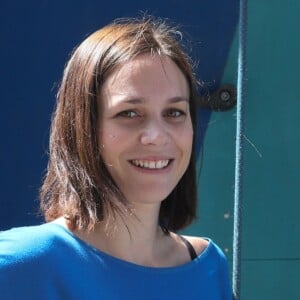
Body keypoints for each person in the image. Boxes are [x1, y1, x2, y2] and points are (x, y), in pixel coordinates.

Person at [0, 16, 232, 299]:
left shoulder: (209, 267)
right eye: (129, 113)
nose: (156, 136)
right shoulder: (19, 265)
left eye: (175, 113)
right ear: (84, 127)